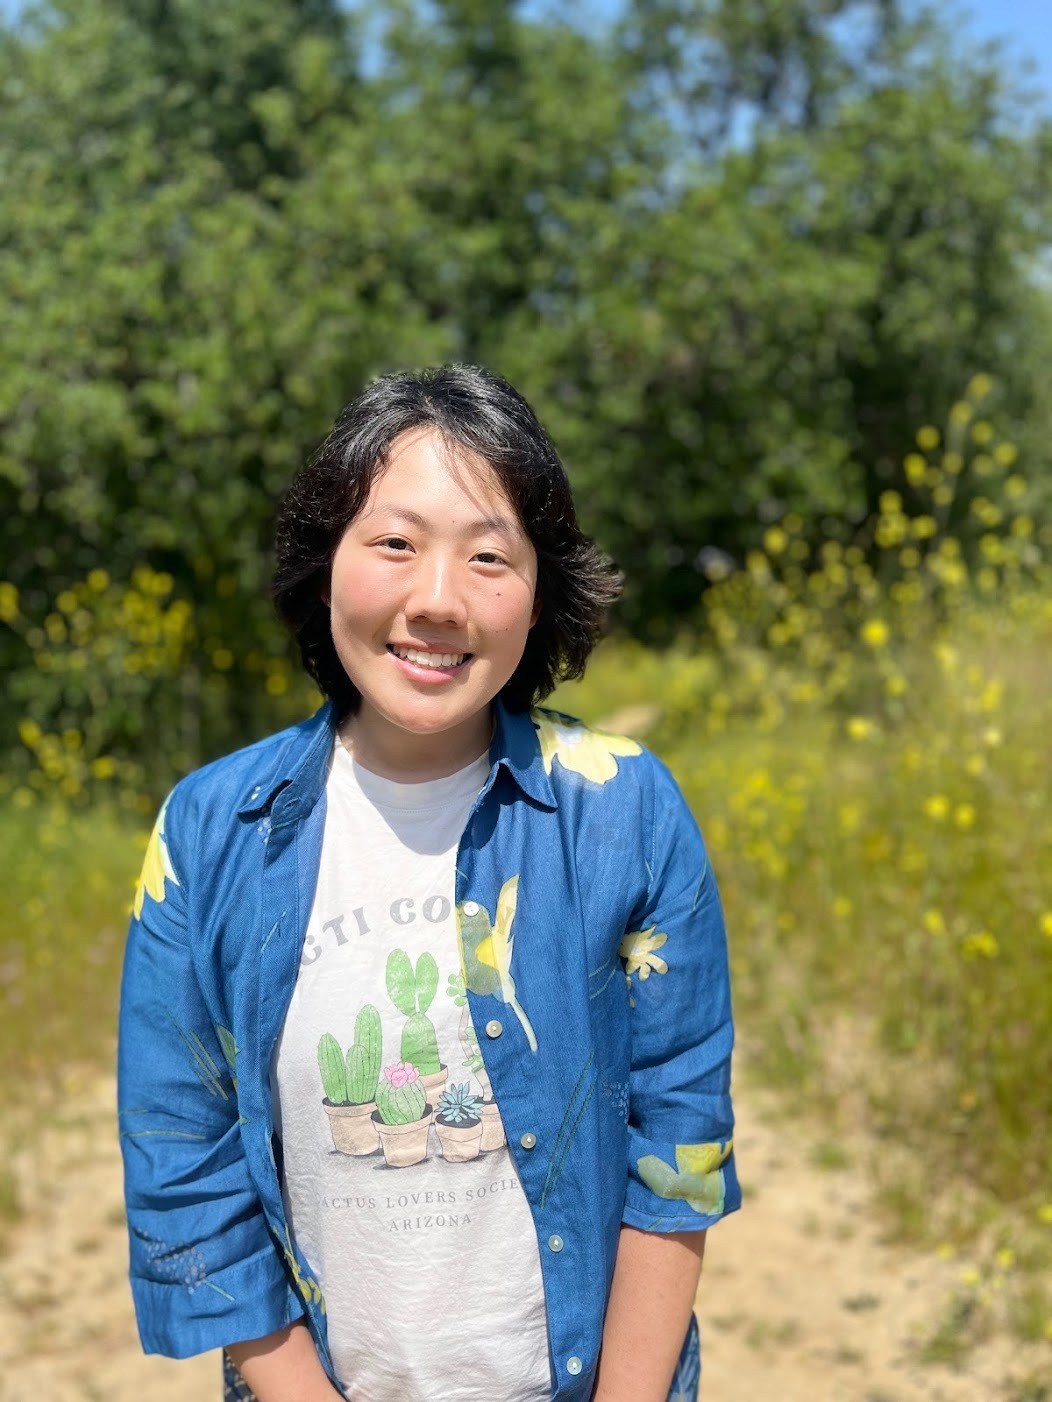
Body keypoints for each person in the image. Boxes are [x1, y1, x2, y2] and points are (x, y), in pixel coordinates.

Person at [117, 365, 739, 1402]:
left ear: (539, 591)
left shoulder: (623, 809)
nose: (437, 600)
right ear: (326, 564)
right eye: (395, 543)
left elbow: (678, 1145)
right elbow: (182, 1155)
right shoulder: (208, 829)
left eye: (488, 555)